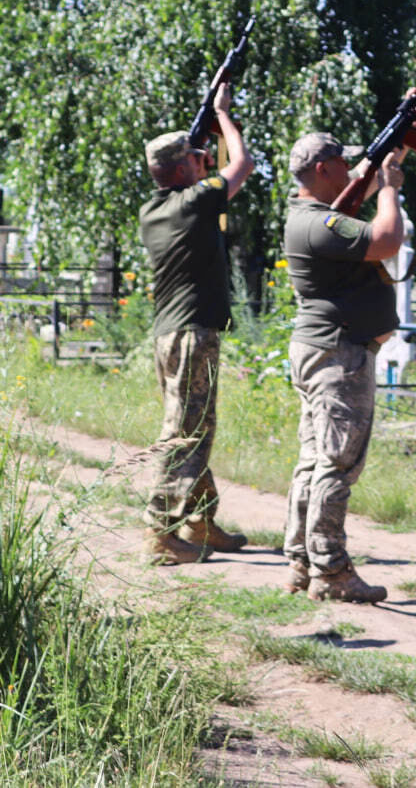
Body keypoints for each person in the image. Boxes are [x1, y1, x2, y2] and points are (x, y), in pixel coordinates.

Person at [281, 98, 416, 603]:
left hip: (323, 348)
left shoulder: (313, 213)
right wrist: (391, 186)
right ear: (323, 170)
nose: (351, 169)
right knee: (337, 463)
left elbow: (359, 182)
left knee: (314, 460)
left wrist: (405, 128)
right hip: (339, 353)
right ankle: (331, 570)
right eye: (342, 164)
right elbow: (387, 239)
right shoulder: (319, 224)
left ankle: (302, 562)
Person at [139, 82, 255, 564]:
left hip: (171, 333)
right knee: (185, 430)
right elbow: (242, 166)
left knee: (194, 422)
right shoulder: (193, 202)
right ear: (183, 167)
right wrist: (225, 115)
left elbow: (205, 179)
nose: (203, 158)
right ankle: (159, 532)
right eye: (195, 156)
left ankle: (201, 519)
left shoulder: (154, 209)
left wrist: (195, 159)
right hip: (191, 333)